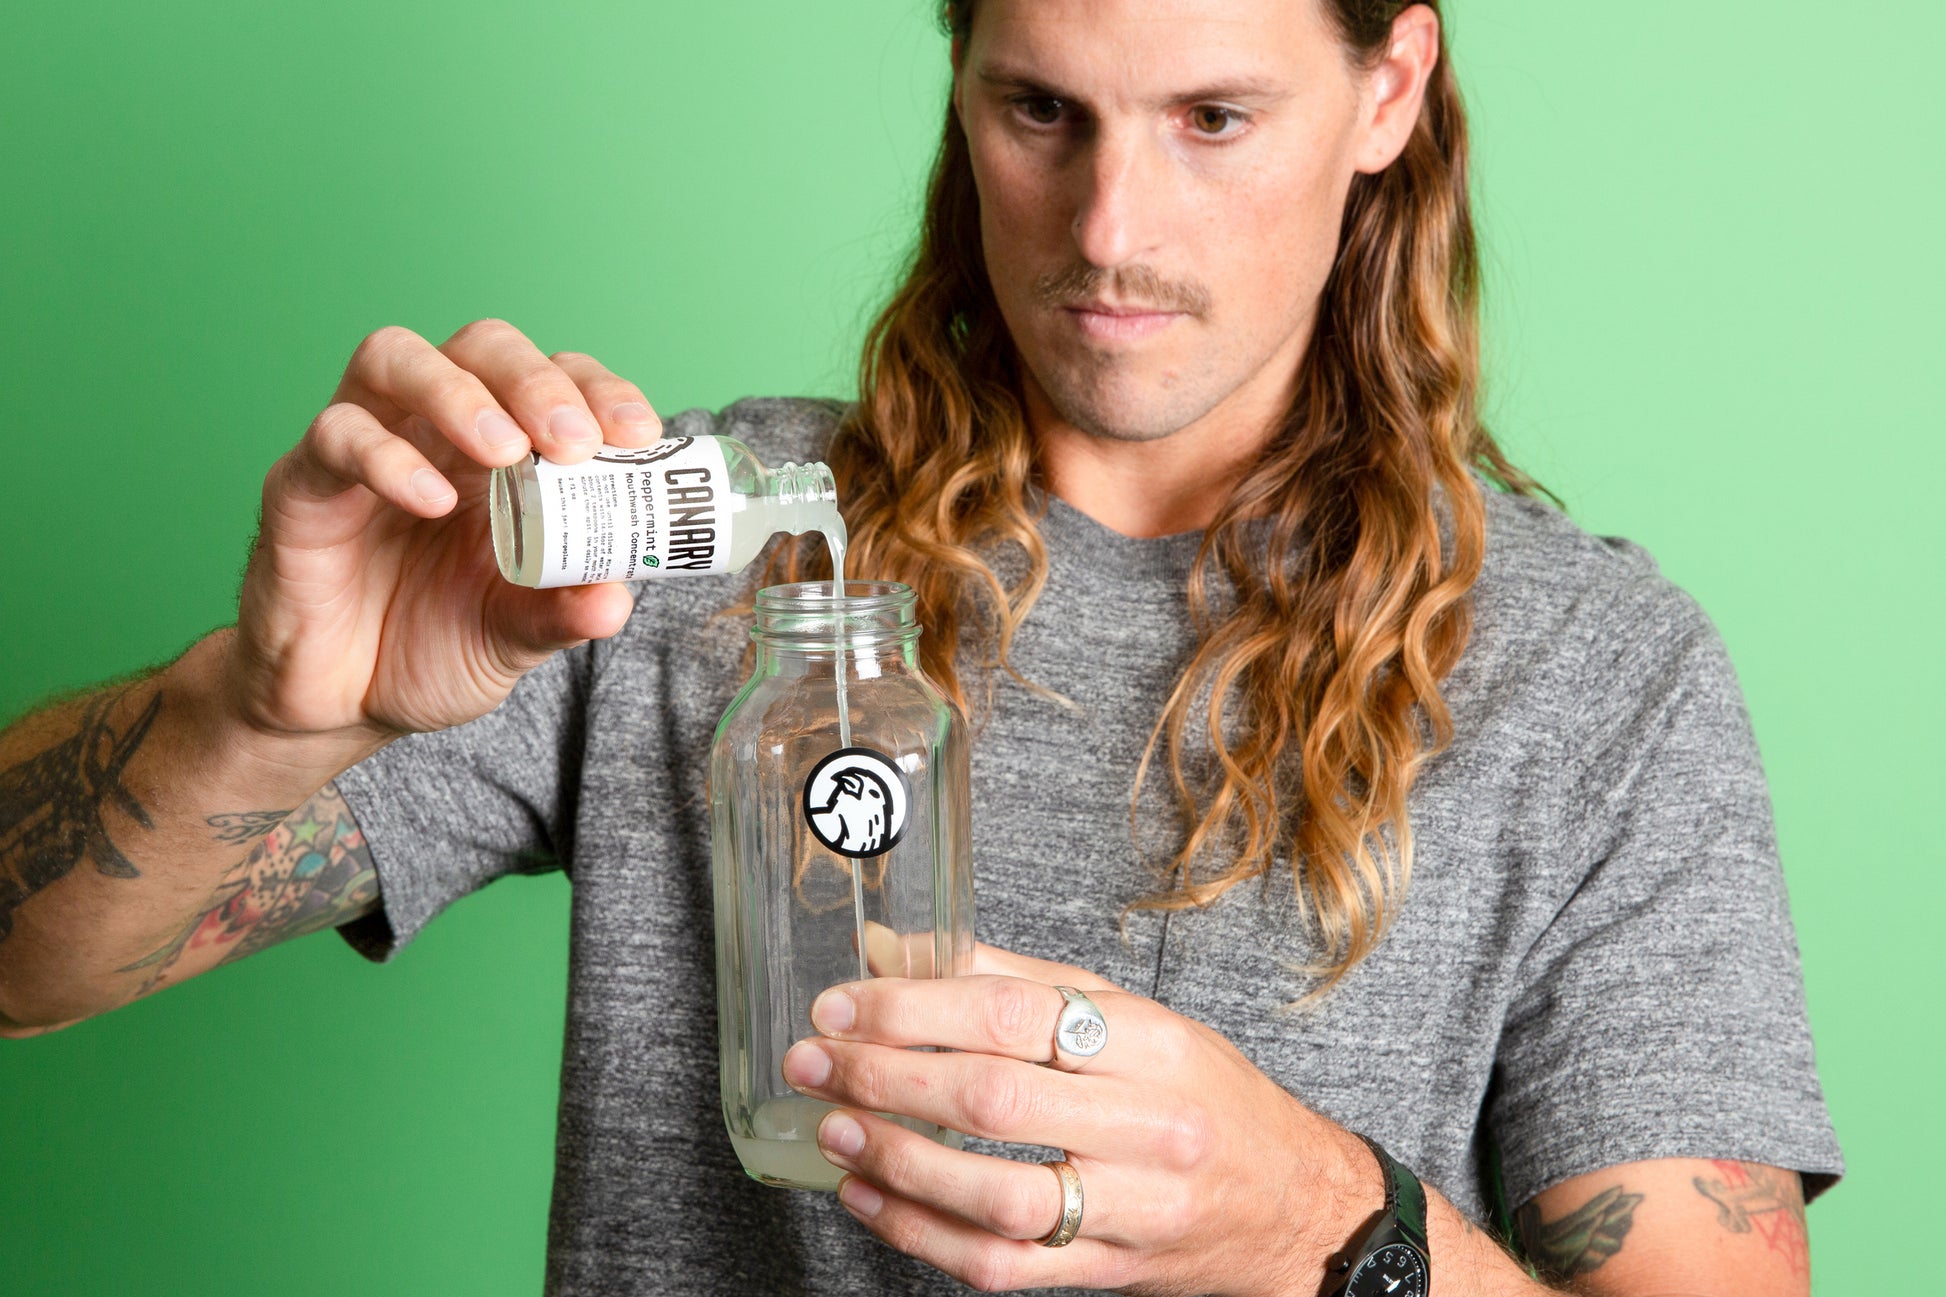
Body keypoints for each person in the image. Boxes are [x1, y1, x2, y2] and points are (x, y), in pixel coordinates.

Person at [0, 1, 1842, 1293]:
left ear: (1386, 89)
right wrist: (255, 717)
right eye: (1039, 109)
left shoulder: (1599, 678)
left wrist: (1304, 1222)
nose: (1109, 231)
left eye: (1212, 117)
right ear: (959, 81)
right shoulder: (690, 542)